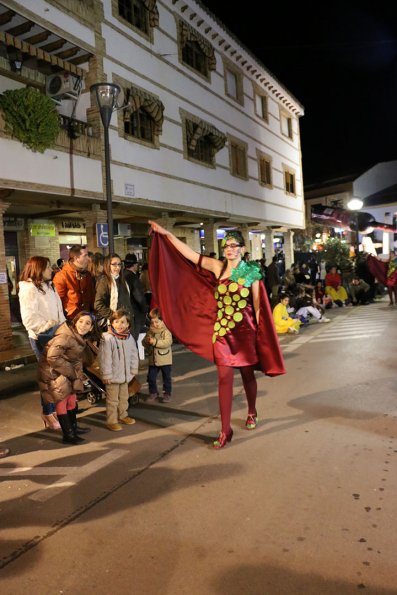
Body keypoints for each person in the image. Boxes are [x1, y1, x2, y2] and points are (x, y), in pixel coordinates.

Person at [149, 221, 285, 449]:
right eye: (226, 245)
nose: (229, 249)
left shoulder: (252, 272)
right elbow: (190, 255)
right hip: (222, 334)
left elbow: (259, 306)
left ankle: (252, 411)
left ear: (242, 248)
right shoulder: (217, 267)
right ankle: (225, 430)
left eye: (234, 245)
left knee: (247, 376)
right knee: (223, 379)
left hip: (245, 334)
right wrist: (167, 233)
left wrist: (261, 335)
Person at [18, 256, 66, 430]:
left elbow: (58, 310)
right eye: (47, 267)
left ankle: (53, 410)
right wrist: (48, 327)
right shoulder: (29, 289)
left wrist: (63, 328)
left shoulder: (48, 285)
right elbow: (29, 319)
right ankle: (48, 412)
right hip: (42, 337)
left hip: (57, 335)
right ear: (38, 269)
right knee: (48, 377)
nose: (51, 270)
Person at [38, 312, 100, 445]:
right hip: (53, 372)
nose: (83, 325)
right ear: (75, 322)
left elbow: (76, 359)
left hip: (65, 371)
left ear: (91, 328)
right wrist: (72, 373)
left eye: (87, 323)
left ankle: (74, 428)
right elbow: (52, 357)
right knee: (63, 401)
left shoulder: (78, 338)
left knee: (72, 400)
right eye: (81, 321)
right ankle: (68, 435)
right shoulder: (65, 337)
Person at [98, 308, 139, 432]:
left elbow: (133, 354)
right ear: (111, 323)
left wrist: (133, 370)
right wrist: (107, 375)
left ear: (128, 324)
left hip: (125, 375)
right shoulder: (108, 338)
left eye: (122, 322)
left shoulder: (129, 338)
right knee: (112, 400)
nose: (119, 325)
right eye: (116, 322)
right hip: (113, 376)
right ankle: (112, 421)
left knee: (124, 397)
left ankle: (123, 415)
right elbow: (105, 359)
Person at [53, 245, 95, 319]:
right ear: (76, 258)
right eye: (85, 255)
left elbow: (91, 295)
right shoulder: (62, 276)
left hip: (86, 317)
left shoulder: (87, 274)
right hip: (71, 318)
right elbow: (57, 301)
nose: (88, 258)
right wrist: (66, 314)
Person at [94, 254, 134, 332]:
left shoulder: (122, 279)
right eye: (114, 264)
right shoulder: (104, 281)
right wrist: (114, 316)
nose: (117, 267)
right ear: (108, 265)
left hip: (126, 322)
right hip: (114, 324)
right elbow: (98, 304)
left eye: (119, 264)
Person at [143, 308, 173, 403]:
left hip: (165, 359)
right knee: (151, 377)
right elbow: (143, 342)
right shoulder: (151, 331)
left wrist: (155, 342)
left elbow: (167, 342)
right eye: (153, 322)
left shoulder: (166, 331)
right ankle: (153, 392)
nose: (155, 324)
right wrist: (147, 341)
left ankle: (167, 394)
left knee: (166, 378)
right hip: (153, 359)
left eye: (157, 322)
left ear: (162, 321)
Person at [123, 253, 148, 342]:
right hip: (135, 313)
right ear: (134, 265)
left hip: (124, 312)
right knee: (133, 340)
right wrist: (145, 309)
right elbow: (139, 297)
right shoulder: (133, 278)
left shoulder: (121, 275)